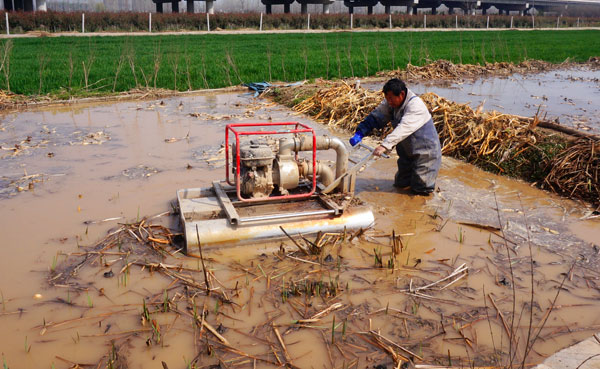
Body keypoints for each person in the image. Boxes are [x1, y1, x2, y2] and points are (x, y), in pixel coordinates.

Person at [349, 78, 441, 195]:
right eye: (387, 99)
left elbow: (403, 128)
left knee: (420, 190)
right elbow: (377, 117)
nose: (389, 102)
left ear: (401, 94)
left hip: (425, 155)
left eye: (391, 98)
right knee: (401, 184)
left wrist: (384, 146)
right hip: (407, 153)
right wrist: (360, 132)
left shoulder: (415, 106)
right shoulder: (391, 103)